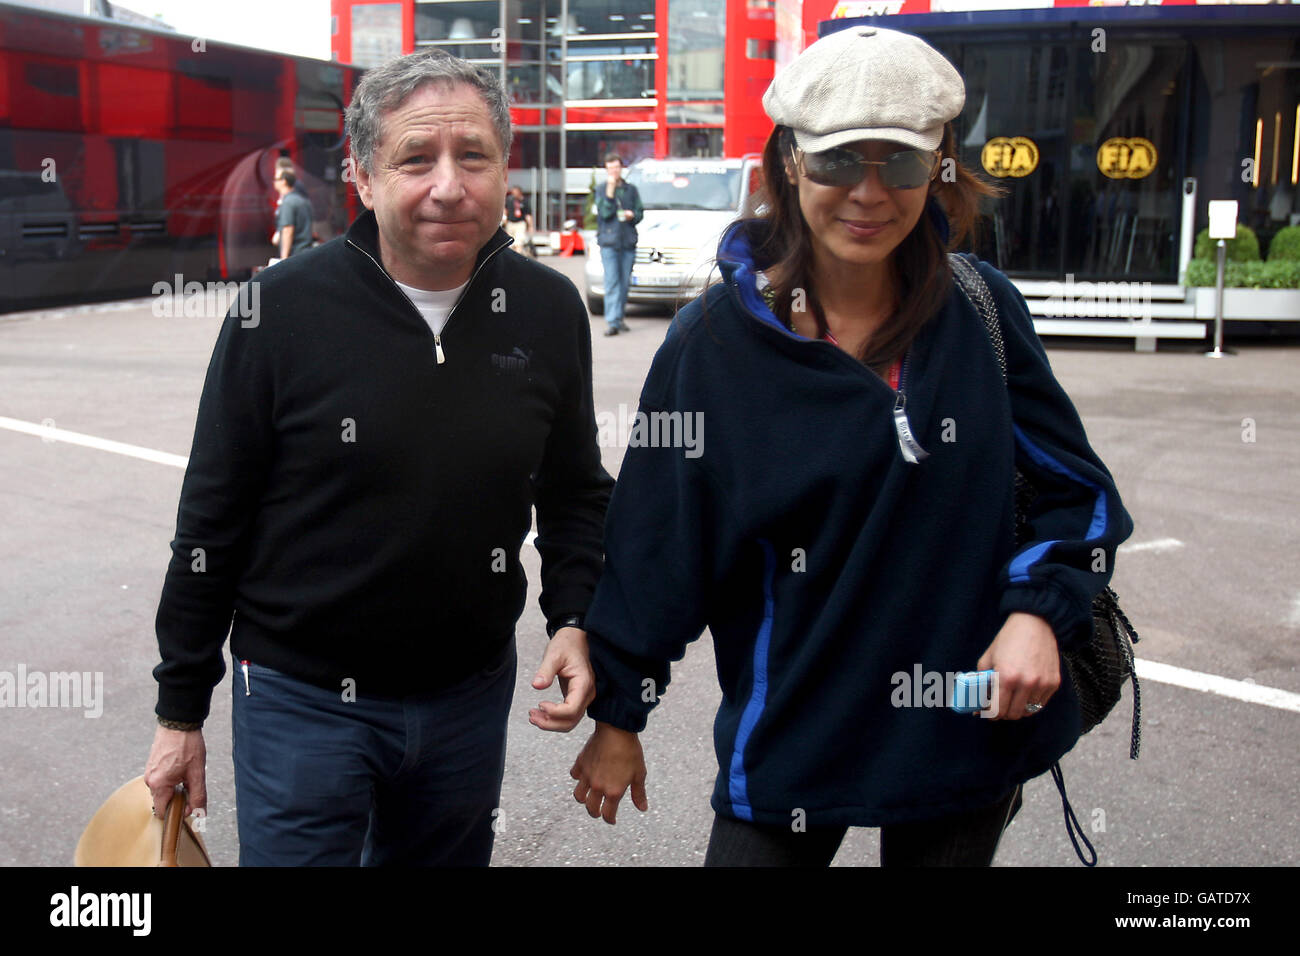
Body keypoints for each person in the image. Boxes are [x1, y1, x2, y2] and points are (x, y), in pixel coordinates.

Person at [568, 26, 1133, 866]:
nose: (870, 193)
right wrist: (618, 712)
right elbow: (660, 543)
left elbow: (1077, 492)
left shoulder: (982, 313)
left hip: (965, 730)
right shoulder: (711, 346)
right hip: (794, 731)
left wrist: (1037, 615)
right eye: (838, 161)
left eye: (900, 163)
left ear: (938, 167)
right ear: (790, 162)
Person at [144, 48, 614, 866]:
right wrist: (179, 712)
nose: (448, 185)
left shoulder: (545, 308)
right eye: (415, 158)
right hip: (301, 702)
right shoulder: (277, 312)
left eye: (473, 156)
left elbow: (575, 489)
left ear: (506, 166)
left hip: (468, 698)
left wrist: (574, 615)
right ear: (362, 176)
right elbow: (211, 516)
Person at [594, 153, 642, 336]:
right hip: (609, 242)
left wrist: (633, 215)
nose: (614, 171)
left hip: (628, 241)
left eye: (616, 167)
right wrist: (610, 192)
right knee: (612, 282)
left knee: (624, 283)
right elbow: (605, 213)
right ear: (606, 170)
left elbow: (640, 212)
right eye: (610, 168)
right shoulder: (601, 189)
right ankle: (612, 322)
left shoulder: (631, 189)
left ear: (621, 168)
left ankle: (619, 317)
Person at [271, 167, 312, 259]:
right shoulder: (302, 200)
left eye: (276, 179)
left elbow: (287, 230)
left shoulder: (287, 203)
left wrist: (284, 259)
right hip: (305, 252)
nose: (274, 182)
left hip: (294, 254)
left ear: (283, 181)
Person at [503, 185, 535, 257]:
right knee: (511, 243)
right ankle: (512, 257)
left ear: (519, 192)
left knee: (519, 242)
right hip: (510, 223)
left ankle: (518, 256)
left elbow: (528, 215)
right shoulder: (509, 200)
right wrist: (504, 219)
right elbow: (505, 210)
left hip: (520, 223)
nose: (514, 194)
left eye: (515, 192)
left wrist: (530, 226)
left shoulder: (524, 201)